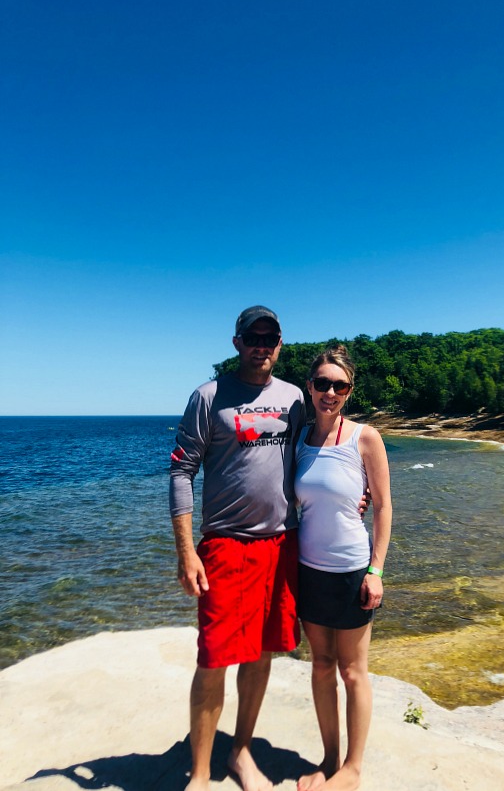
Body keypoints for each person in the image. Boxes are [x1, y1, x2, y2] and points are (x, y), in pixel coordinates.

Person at [169, 305, 305, 791]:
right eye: (253, 337)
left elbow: (316, 453)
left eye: (270, 339)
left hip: (280, 543)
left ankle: (241, 752)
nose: (261, 346)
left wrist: (358, 494)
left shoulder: (294, 398)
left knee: (262, 652)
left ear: (279, 344)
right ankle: (201, 773)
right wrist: (187, 552)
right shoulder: (208, 397)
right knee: (214, 657)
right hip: (225, 545)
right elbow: (182, 471)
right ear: (237, 342)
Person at [294, 345, 392, 791]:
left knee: (353, 671)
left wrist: (377, 569)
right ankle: (329, 757)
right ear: (309, 388)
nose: (329, 392)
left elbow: (384, 507)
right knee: (320, 665)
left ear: (349, 392)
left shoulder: (364, 437)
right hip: (309, 570)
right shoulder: (298, 439)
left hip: (353, 569)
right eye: (322, 383)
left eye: (340, 385)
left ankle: (352, 769)